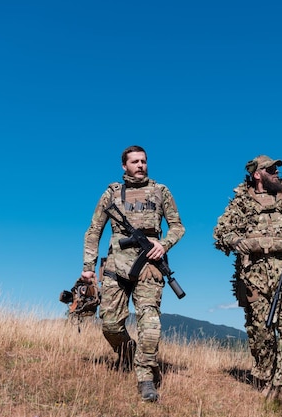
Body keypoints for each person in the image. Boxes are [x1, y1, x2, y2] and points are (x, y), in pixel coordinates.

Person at [81, 145, 185, 402]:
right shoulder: (112, 194)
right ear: (124, 166)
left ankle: (146, 379)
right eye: (135, 161)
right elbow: (94, 231)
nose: (140, 165)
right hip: (116, 267)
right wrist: (87, 268)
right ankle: (130, 355)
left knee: (150, 327)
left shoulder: (161, 192)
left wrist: (164, 244)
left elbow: (177, 227)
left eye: (144, 161)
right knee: (109, 325)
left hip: (150, 266)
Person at [213, 155, 282, 407]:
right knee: (261, 330)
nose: (276, 173)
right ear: (257, 174)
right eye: (270, 169)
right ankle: (269, 377)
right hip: (254, 276)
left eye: (277, 169)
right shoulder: (241, 203)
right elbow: (221, 234)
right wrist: (243, 243)